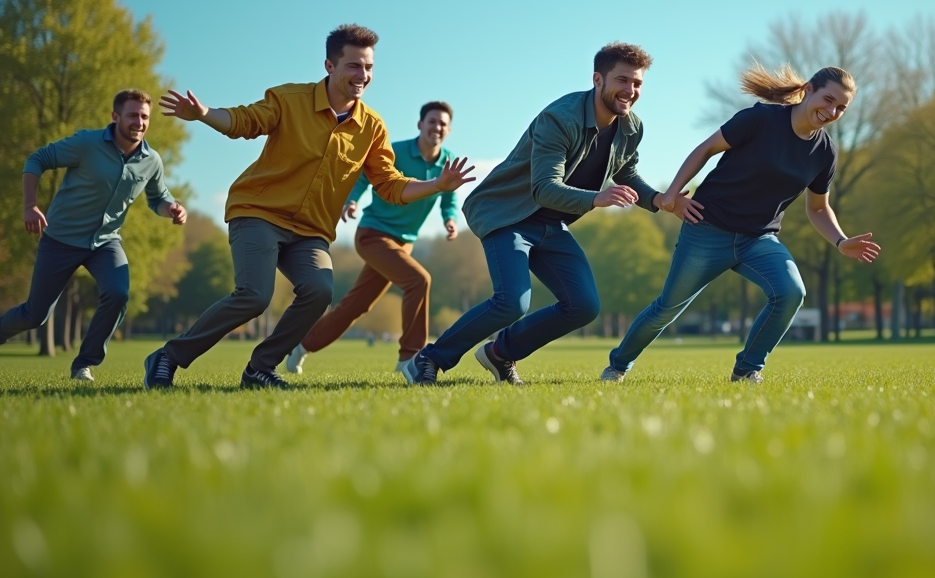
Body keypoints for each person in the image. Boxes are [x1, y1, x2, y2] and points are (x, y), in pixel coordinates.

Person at [143, 24, 474, 390]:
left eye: (368, 68)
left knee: (319, 289)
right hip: (259, 213)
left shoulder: (372, 127)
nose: (362, 76)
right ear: (330, 66)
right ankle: (168, 357)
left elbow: (390, 185)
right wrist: (205, 113)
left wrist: (437, 186)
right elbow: (244, 121)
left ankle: (260, 369)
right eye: (353, 66)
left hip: (310, 232)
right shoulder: (290, 99)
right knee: (255, 295)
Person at [406, 41, 672, 385]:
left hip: (552, 221)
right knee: (511, 303)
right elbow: (544, 187)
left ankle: (500, 354)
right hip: (507, 214)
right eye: (622, 80)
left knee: (583, 305)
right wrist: (596, 198)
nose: (630, 91)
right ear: (598, 79)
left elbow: (627, 172)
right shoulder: (559, 119)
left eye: (637, 84)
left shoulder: (631, 127)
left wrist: (660, 200)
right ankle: (429, 359)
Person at [602, 65, 881, 384]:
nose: (831, 111)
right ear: (808, 90)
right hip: (707, 228)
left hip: (759, 240)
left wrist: (841, 241)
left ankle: (747, 369)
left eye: (841, 107)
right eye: (828, 99)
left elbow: (818, 208)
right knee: (668, 308)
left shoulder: (825, 152)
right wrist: (670, 194)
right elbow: (706, 149)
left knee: (791, 292)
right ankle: (618, 365)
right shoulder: (761, 119)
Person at [0, 90, 187, 382]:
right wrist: (30, 206)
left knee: (118, 293)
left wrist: (173, 209)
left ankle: (83, 364)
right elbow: (37, 159)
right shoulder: (86, 143)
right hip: (61, 239)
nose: (139, 122)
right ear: (115, 117)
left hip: (105, 242)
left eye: (144, 116)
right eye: (132, 115)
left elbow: (158, 197)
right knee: (35, 315)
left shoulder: (151, 160)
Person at [285, 101, 461, 379]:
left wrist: (450, 219)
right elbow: (365, 176)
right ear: (420, 125)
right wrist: (352, 200)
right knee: (419, 280)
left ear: (448, 130)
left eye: (442, 123)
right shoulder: (397, 151)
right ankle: (410, 358)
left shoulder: (447, 163)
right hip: (373, 234)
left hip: (403, 244)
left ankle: (302, 346)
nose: (436, 127)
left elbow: (449, 197)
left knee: (356, 305)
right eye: (431, 121)